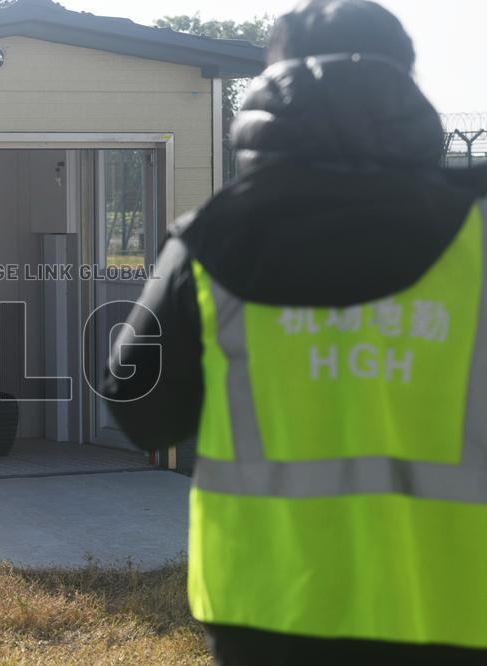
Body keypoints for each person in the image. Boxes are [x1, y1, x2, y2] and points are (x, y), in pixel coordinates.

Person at [104, 1, 487, 664]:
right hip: (452, 606)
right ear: (405, 80)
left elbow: (140, 414)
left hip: (267, 610)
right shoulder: (476, 235)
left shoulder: (209, 240)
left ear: (274, 82)